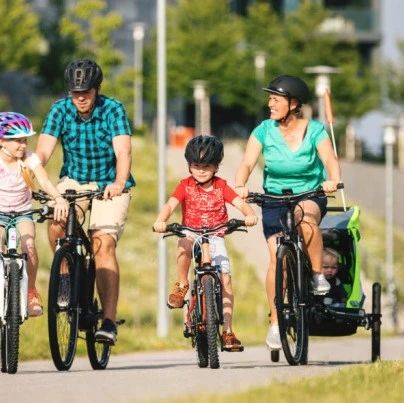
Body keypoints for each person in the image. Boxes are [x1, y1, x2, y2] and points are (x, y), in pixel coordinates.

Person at [234, 75, 341, 351]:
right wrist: (240, 184)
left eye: (276, 99)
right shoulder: (263, 130)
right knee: (275, 259)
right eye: (269, 98)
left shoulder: (315, 130)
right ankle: (275, 320)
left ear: (293, 104)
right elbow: (247, 161)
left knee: (305, 220)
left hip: (309, 194)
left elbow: (330, 160)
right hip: (274, 198)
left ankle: (317, 275)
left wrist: (332, 179)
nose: (270, 103)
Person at [35, 59, 134, 345]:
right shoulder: (59, 110)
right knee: (57, 222)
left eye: (86, 92)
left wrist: (118, 182)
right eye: (75, 92)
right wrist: (36, 166)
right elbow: (43, 151)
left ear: (96, 89)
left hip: (108, 184)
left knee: (102, 242)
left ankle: (109, 321)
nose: (80, 97)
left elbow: (123, 152)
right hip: (74, 181)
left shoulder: (112, 109)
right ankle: (65, 278)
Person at [153, 135, 258, 350]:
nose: (200, 170)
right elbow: (170, 205)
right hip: (191, 232)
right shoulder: (185, 185)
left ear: (216, 167)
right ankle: (182, 284)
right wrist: (161, 220)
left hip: (216, 235)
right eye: (196, 165)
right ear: (189, 166)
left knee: (226, 280)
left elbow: (239, 203)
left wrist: (249, 214)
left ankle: (227, 331)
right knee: (184, 244)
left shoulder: (222, 186)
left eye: (206, 166)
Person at [0, 112, 68, 316]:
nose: (23, 145)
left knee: (29, 246)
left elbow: (45, 182)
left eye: (24, 140)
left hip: (22, 213)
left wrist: (58, 198)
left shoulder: (29, 159)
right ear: (2, 141)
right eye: (17, 141)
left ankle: (30, 292)